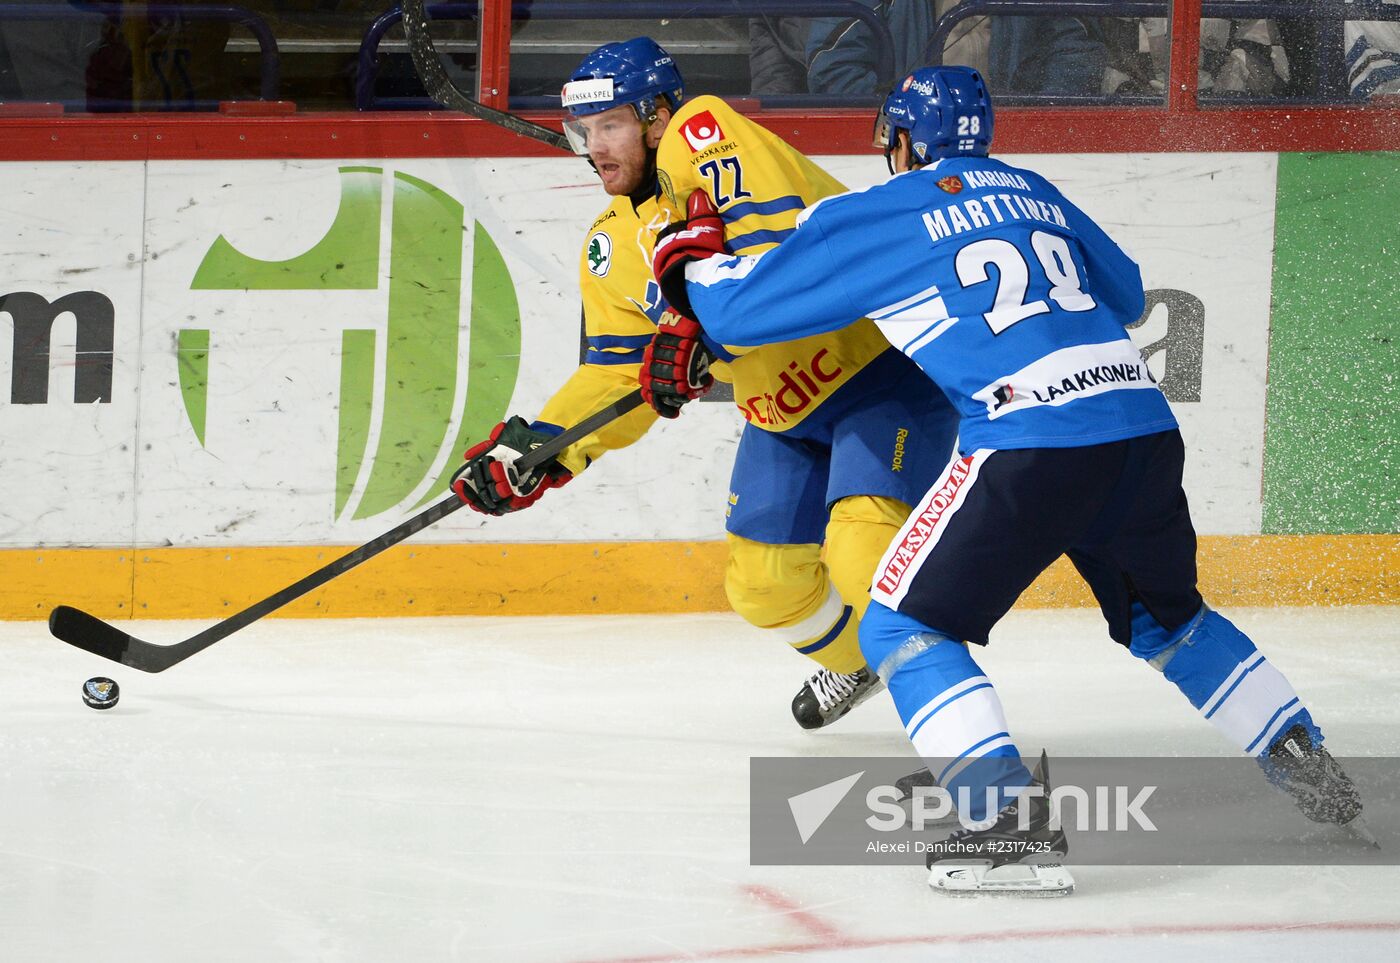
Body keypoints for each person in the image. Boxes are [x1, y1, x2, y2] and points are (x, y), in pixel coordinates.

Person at [648, 65, 1370, 895]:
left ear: (903, 140)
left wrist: (687, 261)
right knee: (1170, 622)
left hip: (1030, 439)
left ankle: (1003, 826)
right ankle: (1299, 754)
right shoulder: (1033, 189)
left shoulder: (890, 206)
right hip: (1139, 430)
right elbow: (1130, 294)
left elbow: (741, 313)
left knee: (897, 625)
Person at [451, 38, 960, 731]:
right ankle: (873, 663)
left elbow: (777, 244)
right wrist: (543, 449)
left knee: (860, 553)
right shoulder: (609, 246)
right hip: (783, 413)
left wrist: (698, 327)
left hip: (881, 372)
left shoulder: (704, 131)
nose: (594, 147)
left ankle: (959, 729)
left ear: (659, 113)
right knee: (764, 587)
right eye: (584, 131)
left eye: (610, 125)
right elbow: (615, 373)